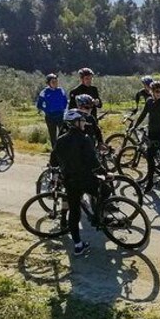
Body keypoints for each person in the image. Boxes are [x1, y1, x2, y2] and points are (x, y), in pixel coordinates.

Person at [50, 109, 111, 256]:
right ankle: (97, 217)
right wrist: (105, 173)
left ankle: (78, 245)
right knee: (106, 190)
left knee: (74, 213)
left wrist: (55, 176)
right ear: (75, 123)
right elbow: (94, 162)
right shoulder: (85, 139)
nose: (84, 123)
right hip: (85, 179)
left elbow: (53, 160)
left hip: (70, 181)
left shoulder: (61, 140)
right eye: (82, 121)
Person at [131, 80, 160, 192]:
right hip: (151, 131)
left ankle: (150, 182)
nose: (159, 93)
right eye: (157, 91)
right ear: (152, 91)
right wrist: (135, 126)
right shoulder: (149, 101)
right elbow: (143, 114)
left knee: (150, 156)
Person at [36, 73, 68, 148]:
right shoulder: (44, 92)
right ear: (49, 83)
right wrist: (46, 110)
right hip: (50, 117)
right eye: (53, 82)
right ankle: (55, 151)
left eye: (56, 81)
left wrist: (63, 109)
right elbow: (39, 105)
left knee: (63, 134)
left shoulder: (61, 90)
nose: (55, 83)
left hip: (60, 115)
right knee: (53, 135)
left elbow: (65, 101)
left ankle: (64, 150)